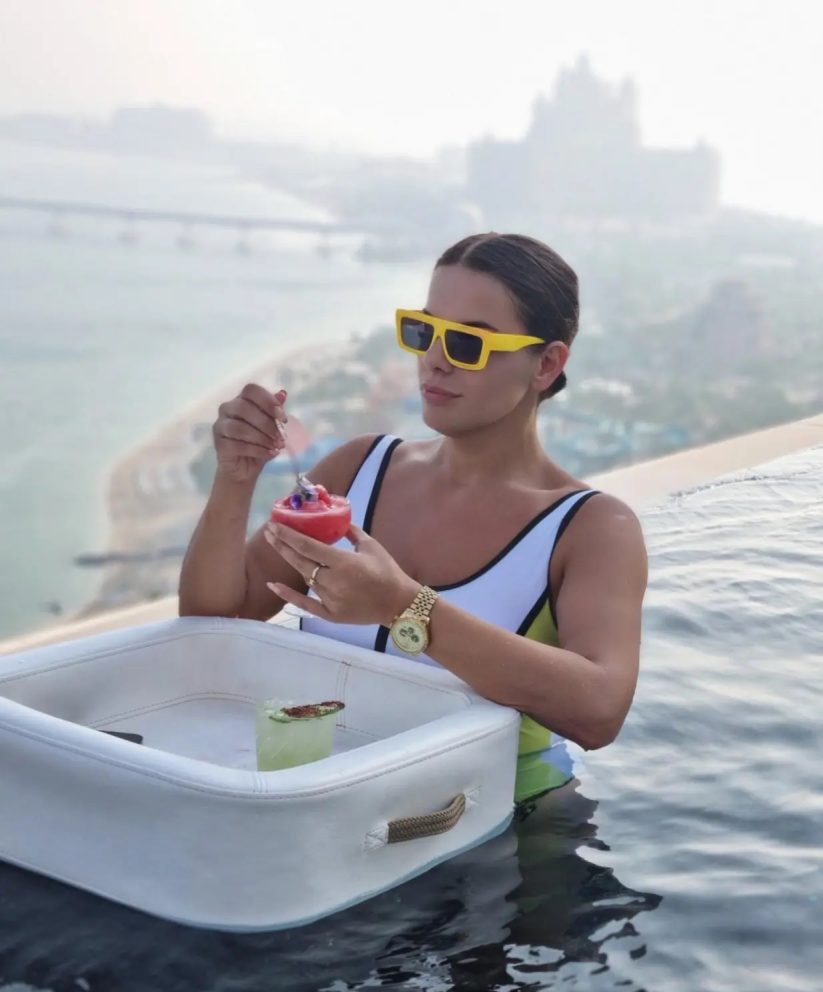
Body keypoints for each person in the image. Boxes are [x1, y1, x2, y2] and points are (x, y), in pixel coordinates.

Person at [179, 232, 648, 807]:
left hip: (497, 832)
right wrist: (236, 476)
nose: (436, 360)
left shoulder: (592, 528)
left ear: (546, 364)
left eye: (469, 343)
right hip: (321, 808)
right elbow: (212, 619)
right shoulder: (357, 469)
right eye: (425, 332)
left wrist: (405, 606)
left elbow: (600, 710)